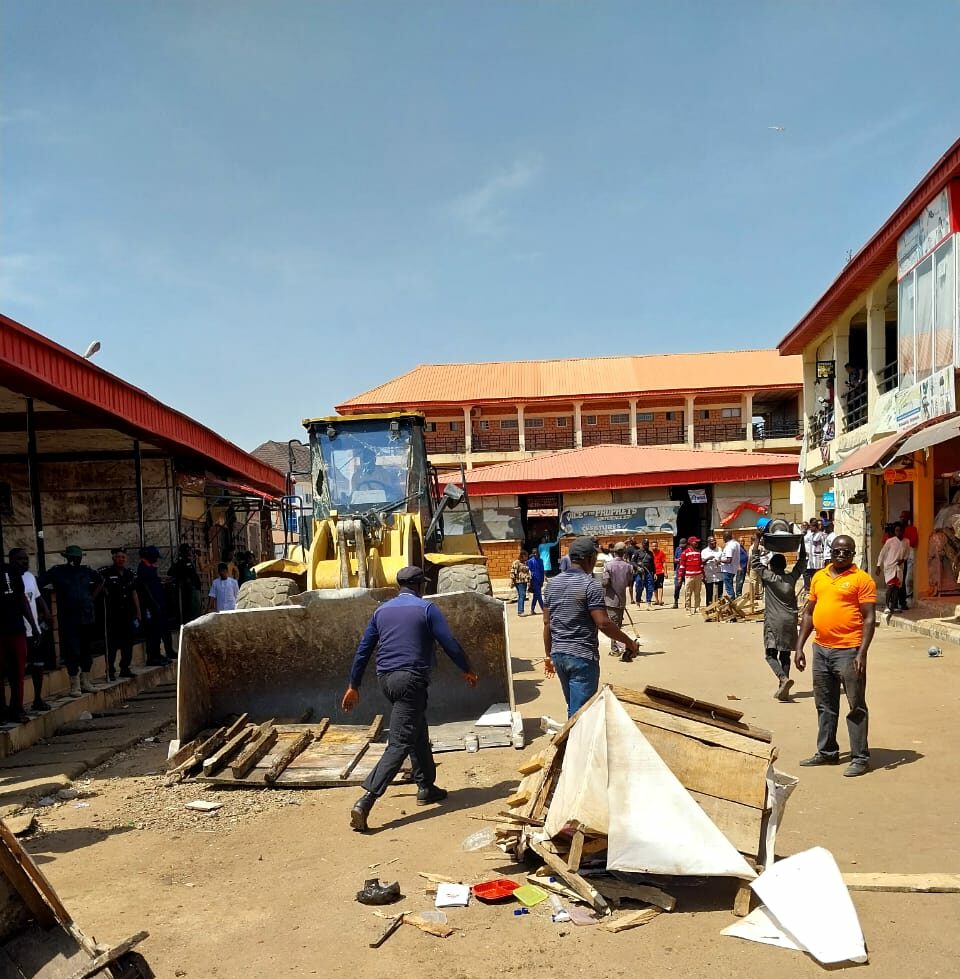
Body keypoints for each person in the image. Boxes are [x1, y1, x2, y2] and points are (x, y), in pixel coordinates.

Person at [343, 565, 478, 832]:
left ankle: (426, 786)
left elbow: (363, 650)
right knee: (400, 741)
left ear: (398, 586)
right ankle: (366, 799)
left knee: (416, 727)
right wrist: (467, 669)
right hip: (410, 680)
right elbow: (449, 641)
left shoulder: (381, 611)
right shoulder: (426, 609)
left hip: (386, 681)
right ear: (421, 586)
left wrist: (353, 685)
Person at [794, 534, 877, 777]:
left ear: (853, 555)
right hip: (821, 650)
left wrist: (862, 653)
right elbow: (809, 614)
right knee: (825, 704)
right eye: (838, 551)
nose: (841, 555)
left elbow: (870, 618)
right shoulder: (818, 577)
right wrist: (799, 646)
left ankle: (860, 757)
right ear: (831, 551)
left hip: (849, 652)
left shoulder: (862, 580)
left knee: (856, 705)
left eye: (847, 552)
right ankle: (827, 752)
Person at [543, 537, 641, 717]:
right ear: (589, 559)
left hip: (559, 655)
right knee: (582, 713)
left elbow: (547, 624)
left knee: (573, 707)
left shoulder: (552, 585)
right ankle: (573, 743)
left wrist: (548, 656)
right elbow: (603, 623)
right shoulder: (590, 585)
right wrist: (629, 643)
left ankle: (573, 741)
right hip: (582, 657)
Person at [40, 545, 102, 697]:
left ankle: (85, 681)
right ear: (67, 558)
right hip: (68, 617)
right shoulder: (58, 571)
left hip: (86, 616)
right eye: (73, 557)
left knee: (86, 650)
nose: (76, 560)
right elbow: (39, 584)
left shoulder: (86, 571)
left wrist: (91, 599)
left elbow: (101, 580)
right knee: (72, 650)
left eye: (78, 557)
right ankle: (74, 684)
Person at [753, 546, 806, 701]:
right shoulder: (791, 578)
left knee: (770, 655)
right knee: (785, 654)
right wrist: (801, 543)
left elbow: (755, 563)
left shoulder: (769, 577)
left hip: (774, 621)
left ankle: (783, 679)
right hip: (790, 620)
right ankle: (784, 689)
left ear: (771, 566)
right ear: (784, 566)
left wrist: (756, 543)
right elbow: (801, 563)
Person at [11, 549, 52, 711]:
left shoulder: (29, 577)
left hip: (34, 630)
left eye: (26, 559)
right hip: (18, 631)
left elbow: (37, 596)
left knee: (38, 665)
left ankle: (37, 699)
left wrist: (47, 611)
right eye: (20, 559)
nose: (25, 562)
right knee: (18, 670)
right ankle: (17, 705)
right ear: (12, 560)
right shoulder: (10, 579)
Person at [1, 551, 39, 722]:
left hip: (16, 629)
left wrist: (33, 626)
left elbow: (22, 601)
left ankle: (17, 708)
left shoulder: (13, 572)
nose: (24, 563)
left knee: (18, 672)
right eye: (20, 559)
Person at [99, 547, 141, 680]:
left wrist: (138, 612)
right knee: (111, 644)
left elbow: (134, 593)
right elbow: (101, 589)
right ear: (113, 558)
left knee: (127, 643)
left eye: (123, 557)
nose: (120, 559)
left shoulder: (130, 574)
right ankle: (110, 670)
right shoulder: (105, 573)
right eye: (118, 557)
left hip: (127, 614)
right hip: (112, 614)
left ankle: (125, 668)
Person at [137, 545, 175, 664]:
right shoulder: (143, 569)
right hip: (151, 605)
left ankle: (159, 654)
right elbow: (146, 588)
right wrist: (154, 603)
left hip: (159, 603)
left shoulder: (151, 568)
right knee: (152, 632)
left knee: (160, 630)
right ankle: (152, 657)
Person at [602, 543, 635, 658]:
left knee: (613, 626)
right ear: (624, 553)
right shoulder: (629, 566)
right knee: (617, 624)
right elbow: (630, 582)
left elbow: (605, 583)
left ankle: (615, 648)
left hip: (610, 600)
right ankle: (616, 646)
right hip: (621, 599)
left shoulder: (608, 565)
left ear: (614, 552)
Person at [876, 524, 910, 623]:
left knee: (896, 588)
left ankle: (893, 606)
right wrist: (879, 565)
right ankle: (887, 605)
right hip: (889, 566)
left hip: (899, 567)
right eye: (897, 530)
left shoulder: (906, 541)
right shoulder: (890, 541)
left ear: (903, 531)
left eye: (900, 530)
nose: (898, 532)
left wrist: (903, 560)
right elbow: (882, 553)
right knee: (890, 586)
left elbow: (908, 553)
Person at [169, 543, 202, 625]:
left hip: (194, 589)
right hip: (189, 591)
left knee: (196, 610)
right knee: (192, 612)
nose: (191, 552)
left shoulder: (188, 562)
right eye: (189, 550)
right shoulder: (182, 562)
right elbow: (170, 572)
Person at [678, 537, 705, 614]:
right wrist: (680, 576)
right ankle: (688, 609)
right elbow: (682, 566)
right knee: (688, 593)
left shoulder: (698, 552)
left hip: (698, 576)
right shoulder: (685, 553)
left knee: (697, 593)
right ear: (690, 543)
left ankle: (697, 608)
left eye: (697, 542)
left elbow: (701, 565)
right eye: (695, 542)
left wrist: (703, 575)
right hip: (689, 576)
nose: (697, 543)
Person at [899, 511, 918, 608]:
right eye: (901, 517)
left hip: (909, 553)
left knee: (908, 578)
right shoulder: (897, 529)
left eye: (904, 517)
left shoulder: (912, 529)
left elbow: (914, 542)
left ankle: (908, 596)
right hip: (900, 555)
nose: (902, 519)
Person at [803, 518, 826, 589]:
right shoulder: (811, 535)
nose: (810, 528)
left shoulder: (821, 535)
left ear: (815, 527)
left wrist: (824, 558)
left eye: (811, 527)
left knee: (818, 574)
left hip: (818, 558)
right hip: (812, 558)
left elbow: (824, 546)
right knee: (811, 574)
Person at [701, 535, 723, 606]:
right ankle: (709, 607)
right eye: (712, 543)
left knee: (720, 592)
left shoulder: (719, 549)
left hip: (719, 574)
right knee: (709, 592)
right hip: (709, 574)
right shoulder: (704, 551)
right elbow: (702, 563)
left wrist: (719, 561)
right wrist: (708, 558)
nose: (714, 544)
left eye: (715, 542)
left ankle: (719, 607)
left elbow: (722, 559)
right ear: (708, 543)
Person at [719, 530, 741, 600]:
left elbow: (729, 560)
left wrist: (719, 561)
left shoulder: (729, 546)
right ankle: (733, 601)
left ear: (725, 537)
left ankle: (732, 602)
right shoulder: (736, 543)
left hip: (727, 570)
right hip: (733, 569)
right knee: (730, 585)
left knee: (729, 588)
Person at [510, 550, 532, 616]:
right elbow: (512, 572)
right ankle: (520, 611)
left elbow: (527, 573)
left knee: (522, 595)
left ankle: (520, 611)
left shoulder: (525, 563)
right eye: (526, 556)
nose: (527, 557)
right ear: (522, 556)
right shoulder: (517, 562)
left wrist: (529, 581)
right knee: (521, 595)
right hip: (519, 582)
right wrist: (511, 581)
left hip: (524, 581)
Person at [634, 540, 655, 606]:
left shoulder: (650, 553)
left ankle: (649, 602)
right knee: (639, 587)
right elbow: (632, 562)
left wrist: (654, 573)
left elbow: (653, 564)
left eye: (647, 544)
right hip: (640, 573)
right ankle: (638, 601)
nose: (646, 545)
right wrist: (637, 567)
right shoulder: (637, 552)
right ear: (642, 544)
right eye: (645, 544)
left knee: (650, 588)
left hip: (648, 572)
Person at [526, 549, 545, 614]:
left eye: (536, 553)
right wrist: (529, 581)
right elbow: (528, 572)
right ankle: (543, 609)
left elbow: (542, 571)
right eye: (534, 553)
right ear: (532, 553)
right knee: (539, 595)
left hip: (539, 579)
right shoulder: (530, 561)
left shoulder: (541, 560)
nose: (535, 554)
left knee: (536, 595)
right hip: (534, 580)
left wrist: (542, 580)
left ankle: (532, 609)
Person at [672, 537, 688, 609]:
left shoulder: (688, 550)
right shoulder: (678, 549)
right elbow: (674, 560)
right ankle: (676, 602)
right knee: (677, 587)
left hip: (687, 571)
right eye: (681, 545)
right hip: (679, 570)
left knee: (687, 588)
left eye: (683, 546)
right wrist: (678, 560)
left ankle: (687, 603)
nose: (681, 547)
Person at [651, 540, 666, 606]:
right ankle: (656, 600)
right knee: (654, 587)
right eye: (653, 546)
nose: (654, 547)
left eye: (655, 546)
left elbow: (664, 563)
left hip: (660, 572)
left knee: (660, 586)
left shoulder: (661, 553)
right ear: (651, 546)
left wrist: (665, 572)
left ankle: (660, 600)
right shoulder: (650, 554)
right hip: (652, 572)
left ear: (657, 546)